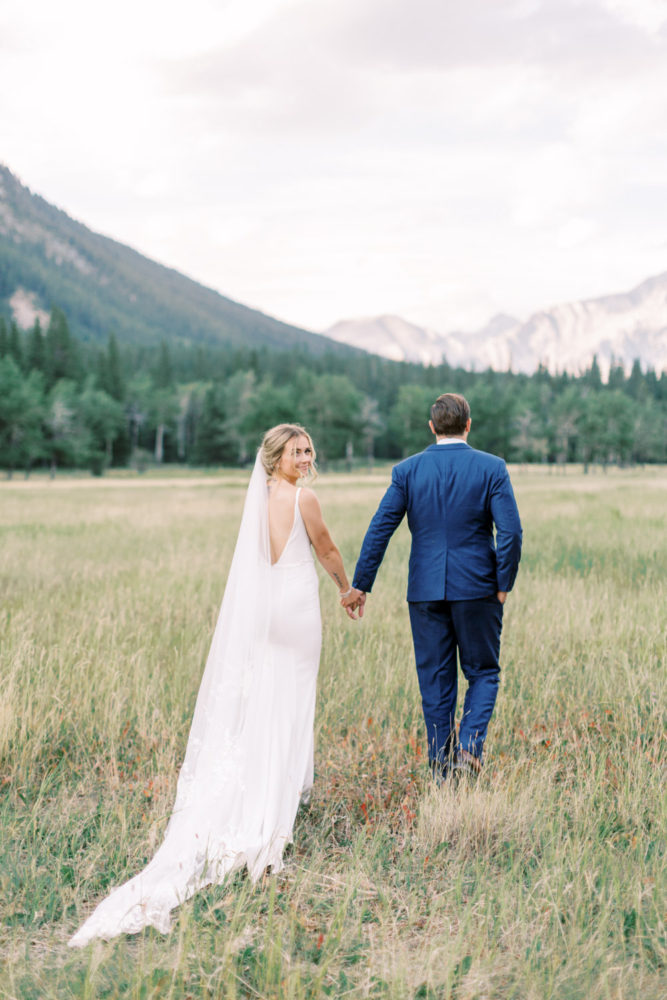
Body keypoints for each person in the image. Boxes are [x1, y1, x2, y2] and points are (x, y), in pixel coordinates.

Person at [69, 424, 359, 946]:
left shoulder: (258, 499)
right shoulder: (304, 498)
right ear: (275, 458)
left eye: (309, 450)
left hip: (263, 611)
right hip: (295, 608)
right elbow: (326, 547)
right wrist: (346, 587)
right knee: (291, 705)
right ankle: (273, 816)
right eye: (296, 452)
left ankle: (268, 792)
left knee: (267, 703)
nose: (306, 457)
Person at [342, 393, 522, 780]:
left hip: (424, 590)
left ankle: (442, 769)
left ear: (432, 427)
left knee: (435, 680)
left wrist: (361, 584)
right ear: (468, 425)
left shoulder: (407, 471)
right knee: (483, 671)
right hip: (478, 588)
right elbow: (511, 531)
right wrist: (503, 582)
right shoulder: (492, 467)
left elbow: (380, 529)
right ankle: (470, 748)